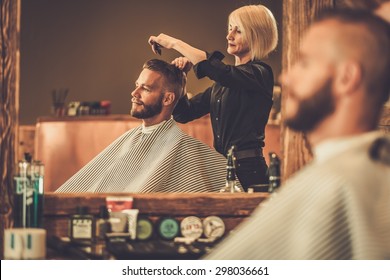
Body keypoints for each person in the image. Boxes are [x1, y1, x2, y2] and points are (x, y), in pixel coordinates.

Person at [204, 9, 390, 259]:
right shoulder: (344, 175)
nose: (286, 77)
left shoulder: (353, 187)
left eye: (305, 63)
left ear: (347, 77)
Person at [148, 4, 278, 191]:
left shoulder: (260, 73)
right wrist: (182, 81)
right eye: (229, 28)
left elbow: (220, 71)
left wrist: (175, 44)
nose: (229, 35)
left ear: (256, 35)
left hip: (250, 171)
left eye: (238, 30)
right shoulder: (221, 86)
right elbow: (184, 113)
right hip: (223, 168)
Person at [55, 59, 229, 193]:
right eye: (136, 86)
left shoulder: (184, 147)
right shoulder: (131, 138)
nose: (134, 93)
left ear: (167, 99)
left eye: (145, 89)